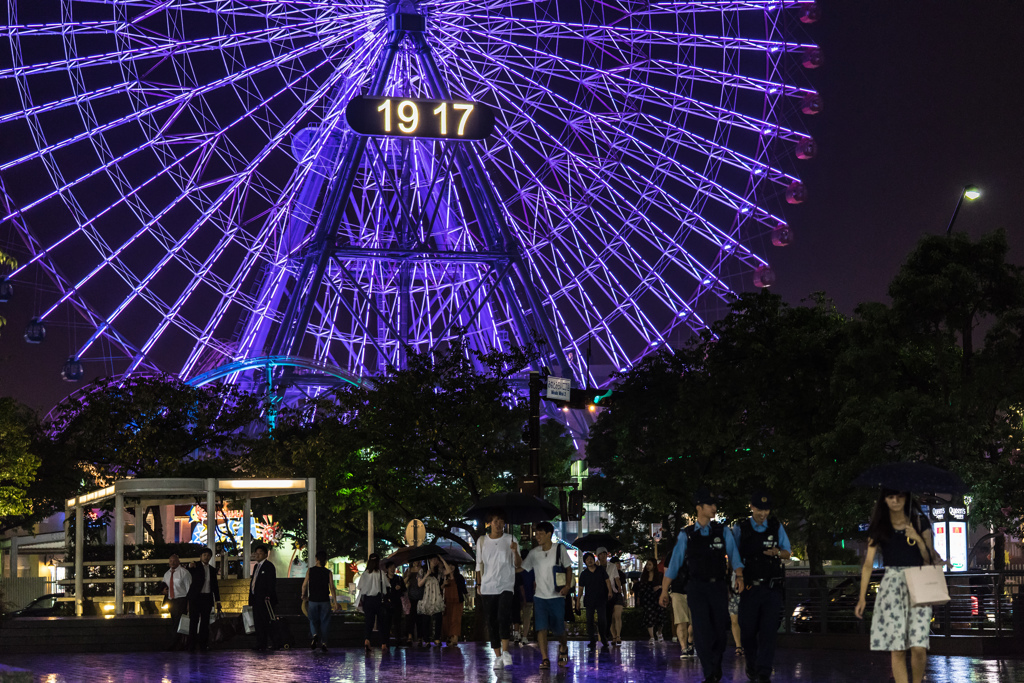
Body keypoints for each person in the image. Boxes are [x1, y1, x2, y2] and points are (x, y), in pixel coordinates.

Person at [660, 487, 744, 683]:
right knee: (701, 630)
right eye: (710, 504)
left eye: (715, 504)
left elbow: (734, 556)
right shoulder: (687, 535)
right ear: (699, 507)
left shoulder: (722, 531)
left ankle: (715, 665)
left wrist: (739, 576)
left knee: (719, 634)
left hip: (718, 587)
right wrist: (664, 590)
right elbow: (674, 565)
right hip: (696, 588)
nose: (714, 508)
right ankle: (709, 673)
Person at [855, 490, 938, 683]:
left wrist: (916, 538)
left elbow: (929, 558)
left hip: (919, 583)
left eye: (899, 496)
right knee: (898, 648)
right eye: (890, 497)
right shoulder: (880, 526)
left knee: (919, 647)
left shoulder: (919, 522)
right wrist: (862, 597)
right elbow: (868, 563)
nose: (895, 501)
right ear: (884, 500)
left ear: (906, 498)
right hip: (892, 585)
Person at [733, 492, 792, 683]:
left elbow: (787, 552)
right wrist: (737, 577)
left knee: (768, 631)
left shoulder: (775, 526)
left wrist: (777, 552)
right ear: (752, 507)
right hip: (749, 588)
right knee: (747, 630)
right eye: (759, 509)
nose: (763, 513)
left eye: (766, 509)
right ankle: (752, 664)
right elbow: (733, 555)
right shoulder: (741, 527)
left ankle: (764, 671)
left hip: (771, 588)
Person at [518, 521, 573, 669]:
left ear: (549, 534)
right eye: (536, 534)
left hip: (557, 596)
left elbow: (569, 568)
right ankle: (545, 658)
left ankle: (563, 646)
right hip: (540, 597)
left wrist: (567, 586)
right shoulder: (534, 553)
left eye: (541, 534)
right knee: (541, 627)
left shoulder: (559, 549)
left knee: (558, 629)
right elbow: (521, 568)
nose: (538, 537)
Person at [475, 509, 521, 668]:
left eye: (501, 521)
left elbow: (518, 564)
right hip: (488, 586)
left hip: (506, 585)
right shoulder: (482, 541)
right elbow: (478, 565)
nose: (499, 524)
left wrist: (515, 551)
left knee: (503, 616)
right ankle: (498, 656)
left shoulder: (511, 539)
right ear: (489, 523)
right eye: (495, 521)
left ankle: (506, 651)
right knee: (491, 621)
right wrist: (479, 584)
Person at [301, 549, 336, 653]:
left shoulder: (310, 571)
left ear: (316, 559)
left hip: (313, 600)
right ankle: (324, 643)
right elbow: (332, 587)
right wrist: (335, 601)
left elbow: (304, 585)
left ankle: (315, 635)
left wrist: (303, 595)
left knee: (312, 619)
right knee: (325, 622)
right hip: (325, 600)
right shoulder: (328, 572)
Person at [575, 551, 612, 651]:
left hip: (601, 598)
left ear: (594, 559)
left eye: (591, 558)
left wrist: (610, 591)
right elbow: (581, 588)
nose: (590, 561)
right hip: (589, 600)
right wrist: (578, 601)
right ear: (585, 562)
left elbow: (607, 581)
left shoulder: (601, 570)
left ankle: (604, 638)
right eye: (587, 560)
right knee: (589, 621)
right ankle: (592, 640)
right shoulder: (584, 574)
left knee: (602, 620)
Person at [186, 548, 221, 652]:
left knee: (205, 623)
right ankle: (191, 645)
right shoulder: (196, 566)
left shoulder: (212, 569)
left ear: (210, 557)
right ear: (200, 556)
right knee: (194, 622)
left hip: (207, 598)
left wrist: (218, 601)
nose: (206, 557)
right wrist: (189, 565)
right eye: (204, 555)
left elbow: (215, 586)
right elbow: (188, 569)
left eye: (208, 555)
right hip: (196, 598)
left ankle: (203, 645)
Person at [357, 552, 392, 652]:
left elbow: (360, 587)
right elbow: (386, 587)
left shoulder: (365, 574)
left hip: (367, 600)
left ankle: (367, 640)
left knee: (369, 622)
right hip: (378, 600)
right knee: (382, 623)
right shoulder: (381, 573)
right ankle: (383, 644)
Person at [249, 544, 278, 651]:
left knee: (267, 621)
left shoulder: (269, 566)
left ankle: (274, 642)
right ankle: (261, 643)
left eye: (260, 553)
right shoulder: (256, 566)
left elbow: (271, 583)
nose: (257, 555)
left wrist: (268, 596)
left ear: (265, 555)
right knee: (258, 622)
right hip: (256, 599)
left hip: (265, 600)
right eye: (256, 553)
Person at [416, 555, 450, 647]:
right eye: (434, 559)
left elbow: (449, 571)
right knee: (426, 619)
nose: (435, 561)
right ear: (429, 559)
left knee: (438, 618)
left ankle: (436, 638)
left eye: (437, 559)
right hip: (426, 597)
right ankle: (426, 640)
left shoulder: (438, 571)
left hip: (436, 596)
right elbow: (419, 584)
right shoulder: (422, 570)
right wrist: (427, 574)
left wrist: (442, 559)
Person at [162, 553, 192, 650]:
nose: (173, 563)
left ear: (178, 562)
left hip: (181, 600)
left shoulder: (184, 573)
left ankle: (172, 644)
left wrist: (189, 603)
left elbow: (189, 589)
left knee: (178, 623)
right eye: (171, 561)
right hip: (171, 601)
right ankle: (179, 644)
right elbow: (164, 585)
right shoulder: (167, 574)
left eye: (175, 561)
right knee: (175, 621)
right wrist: (163, 591)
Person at [668, 554, 695, 659]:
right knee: (681, 621)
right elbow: (667, 573)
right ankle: (684, 648)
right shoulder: (672, 555)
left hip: (693, 590)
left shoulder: (695, 551)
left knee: (694, 622)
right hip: (677, 591)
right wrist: (665, 591)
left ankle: (690, 641)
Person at [596, 547, 624, 645]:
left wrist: (619, 587)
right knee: (609, 616)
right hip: (603, 593)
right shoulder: (595, 567)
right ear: (598, 556)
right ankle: (613, 636)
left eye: (605, 554)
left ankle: (618, 636)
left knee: (617, 615)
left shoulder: (612, 566)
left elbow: (616, 578)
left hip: (614, 591)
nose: (603, 556)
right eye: (601, 554)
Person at [638, 558, 665, 642]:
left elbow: (665, 585)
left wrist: (659, 587)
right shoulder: (644, 576)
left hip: (657, 596)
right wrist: (639, 598)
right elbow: (641, 588)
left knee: (660, 615)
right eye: (647, 564)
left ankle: (659, 632)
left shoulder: (659, 575)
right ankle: (652, 636)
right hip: (647, 598)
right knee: (649, 615)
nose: (648, 566)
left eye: (650, 564)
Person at [442, 564, 467, 645]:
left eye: (453, 564)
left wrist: (467, 597)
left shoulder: (459, 577)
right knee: (447, 620)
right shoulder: (444, 577)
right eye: (449, 564)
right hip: (446, 601)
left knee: (455, 619)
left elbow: (464, 589)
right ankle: (450, 637)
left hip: (457, 601)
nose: (451, 566)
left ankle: (455, 638)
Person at [385, 561, 406, 645]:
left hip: (397, 602)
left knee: (397, 622)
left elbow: (404, 590)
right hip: (387, 603)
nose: (392, 569)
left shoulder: (399, 579)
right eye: (390, 567)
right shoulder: (384, 579)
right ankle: (386, 640)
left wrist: (399, 588)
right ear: (387, 568)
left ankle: (398, 640)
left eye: (393, 567)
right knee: (387, 622)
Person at [404, 564, 422, 646]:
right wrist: (408, 576)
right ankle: (410, 635)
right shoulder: (409, 570)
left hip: (421, 596)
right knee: (411, 617)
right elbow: (403, 583)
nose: (416, 563)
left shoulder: (422, 570)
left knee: (419, 617)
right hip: (410, 596)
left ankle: (419, 637)